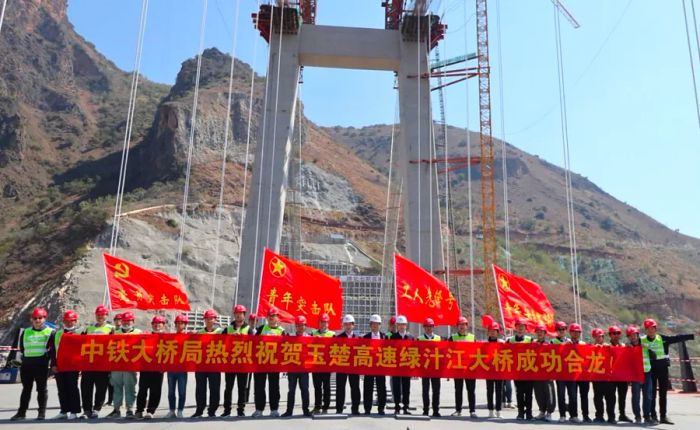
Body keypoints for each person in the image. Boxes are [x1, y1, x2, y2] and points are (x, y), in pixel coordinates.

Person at [641, 318, 695, 425]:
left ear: (655, 329)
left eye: (652, 328)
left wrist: (692, 335)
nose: (650, 330)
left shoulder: (662, 338)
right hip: (650, 370)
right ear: (646, 330)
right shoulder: (642, 340)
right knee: (652, 394)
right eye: (648, 329)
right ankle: (653, 416)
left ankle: (663, 416)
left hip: (663, 369)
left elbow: (677, 338)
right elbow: (631, 345)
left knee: (663, 393)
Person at [10, 307, 55, 421]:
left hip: (41, 364)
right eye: (35, 318)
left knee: (41, 389)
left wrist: (51, 364)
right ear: (32, 319)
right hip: (27, 364)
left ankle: (41, 413)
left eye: (40, 318)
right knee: (26, 389)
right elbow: (23, 348)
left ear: (45, 318)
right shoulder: (26, 332)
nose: (37, 320)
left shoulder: (50, 332)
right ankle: (21, 413)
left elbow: (53, 350)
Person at [81, 305, 114, 419]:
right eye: (98, 315)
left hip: (102, 365)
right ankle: (86, 410)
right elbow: (81, 345)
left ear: (106, 315)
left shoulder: (111, 329)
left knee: (101, 388)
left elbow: (115, 346)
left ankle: (96, 409)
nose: (100, 317)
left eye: (103, 314)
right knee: (86, 388)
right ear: (96, 315)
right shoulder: (88, 329)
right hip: (88, 364)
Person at [253, 307, 286, 417]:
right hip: (261, 363)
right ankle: (259, 409)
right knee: (259, 386)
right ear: (267, 317)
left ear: (277, 318)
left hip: (274, 363)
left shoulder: (282, 331)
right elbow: (253, 344)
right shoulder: (261, 329)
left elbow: (286, 347)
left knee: (274, 386)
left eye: (274, 316)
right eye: (270, 316)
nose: (272, 318)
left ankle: (274, 409)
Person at [108, 311, 141, 419]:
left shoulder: (139, 332)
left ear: (133, 321)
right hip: (117, 365)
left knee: (130, 387)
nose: (126, 323)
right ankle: (116, 409)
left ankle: (130, 409)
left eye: (129, 321)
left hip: (130, 366)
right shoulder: (114, 332)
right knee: (116, 387)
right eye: (124, 321)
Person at [50, 310, 81, 420]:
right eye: (67, 321)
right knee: (61, 388)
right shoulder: (57, 333)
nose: (69, 323)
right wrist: (53, 364)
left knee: (72, 387)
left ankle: (74, 411)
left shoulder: (80, 333)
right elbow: (54, 350)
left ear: (75, 321)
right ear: (63, 321)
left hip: (73, 366)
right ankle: (64, 411)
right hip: (60, 365)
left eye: (71, 321)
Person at [192, 309, 222, 418]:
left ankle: (212, 411)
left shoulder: (220, 332)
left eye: (211, 318)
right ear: (204, 320)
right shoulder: (200, 332)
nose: (209, 320)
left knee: (214, 389)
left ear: (215, 320)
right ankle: (199, 410)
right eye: (207, 318)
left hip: (215, 365)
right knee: (200, 389)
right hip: (201, 365)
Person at [221, 304, 251, 417]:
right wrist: (230, 337)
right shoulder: (228, 329)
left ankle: (240, 410)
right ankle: (227, 410)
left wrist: (243, 338)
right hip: (230, 363)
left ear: (244, 315)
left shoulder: (249, 329)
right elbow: (220, 343)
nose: (238, 316)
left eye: (241, 313)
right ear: (234, 315)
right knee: (228, 387)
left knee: (241, 387)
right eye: (237, 314)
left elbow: (254, 344)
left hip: (243, 363)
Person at [135, 315, 166, 419]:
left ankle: (151, 411)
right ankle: (139, 410)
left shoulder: (167, 338)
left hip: (158, 369)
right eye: (155, 323)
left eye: (159, 323)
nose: (157, 325)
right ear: (152, 324)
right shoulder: (146, 336)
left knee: (155, 391)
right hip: (146, 367)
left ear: (163, 325)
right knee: (142, 390)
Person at [282, 315, 312, 417]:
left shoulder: (309, 337)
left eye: (302, 325)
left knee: (304, 389)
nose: (301, 327)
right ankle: (289, 410)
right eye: (298, 325)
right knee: (291, 390)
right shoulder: (290, 337)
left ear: (305, 326)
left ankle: (306, 410)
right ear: (296, 326)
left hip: (304, 369)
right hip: (292, 368)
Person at [449, 316, 477, 418]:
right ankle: (458, 410)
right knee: (458, 390)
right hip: (457, 368)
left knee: (471, 390)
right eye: (460, 325)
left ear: (467, 326)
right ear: (457, 326)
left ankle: (472, 411)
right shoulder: (452, 338)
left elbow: (477, 353)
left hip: (470, 368)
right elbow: (448, 353)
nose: (462, 326)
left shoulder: (472, 338)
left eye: (463, 324)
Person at [507, 317, 534, 421]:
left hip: (529, 370)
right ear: (515, 328)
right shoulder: (510, 340)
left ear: (525, 329)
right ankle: (520, 413)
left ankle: (529, 413)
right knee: (519, 393)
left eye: (522, 327)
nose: (520, 329)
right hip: (517, 371)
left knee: (528, 394)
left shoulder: (530, 340)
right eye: (518, 327)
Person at [335, 314, 361, 415]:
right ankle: (339, 408)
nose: (347, 326)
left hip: (354, 367)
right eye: (345, 324)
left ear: (353, 325)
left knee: (355, 387)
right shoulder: (339, 337)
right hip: (342, 366)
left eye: (349, 324)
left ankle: (355, 408)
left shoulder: (358, 338)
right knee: (340, 388)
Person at [362, 314, 387, 415]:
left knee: (381, 388)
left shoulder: (385, 337)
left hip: (380, 366)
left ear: (380, 325)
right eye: (373, 324)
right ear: (370, 325)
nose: (375, 326)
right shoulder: (365, 337)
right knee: (368, 387)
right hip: (369, 366)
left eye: (377, 324)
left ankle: (381, 408)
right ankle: (367, 409)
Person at [165, 314, 189, 419]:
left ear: (185, 325)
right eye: (177, 323)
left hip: (182, 369)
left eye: (181, 323)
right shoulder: (171, 337)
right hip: (171, 369)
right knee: (171, 392)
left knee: (182, 391)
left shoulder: (189, 337)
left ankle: (180, 410)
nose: (179, 325)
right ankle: (172, 410)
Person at [389, 315, 413, 415]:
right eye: (400, 325)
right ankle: (397, 407)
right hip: (396, 367)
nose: (402, 327)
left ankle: (406, 407)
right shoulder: (393, 337)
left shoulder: (410, 338)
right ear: (397, 326)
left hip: (407, 366)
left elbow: (414, 352)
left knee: (406, 388)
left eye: (403, 325)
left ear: (406, 326)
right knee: (396, 388)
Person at [566, 322, 590, 423]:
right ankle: (573, 415)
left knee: (584, 395)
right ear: (570, 333)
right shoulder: (566, 344)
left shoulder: (584, 344)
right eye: (574, 332)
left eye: (578, 332)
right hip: (571, 374)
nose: (576, 334)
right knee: (572, 395)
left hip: (583, 374)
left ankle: (586, 415)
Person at [591, 328, 615, 424]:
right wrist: (594, 348)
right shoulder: (590, 347)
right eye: (596, 336)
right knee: (598, 398)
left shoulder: (608, 347)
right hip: (596, 377)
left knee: (611, 398)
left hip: (609, 377)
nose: (598, 338)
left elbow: (617, 355)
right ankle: (599, 416)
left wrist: (609, 348)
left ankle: (611, 417)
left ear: (603, 337)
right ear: (593, 337)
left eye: (600, 336)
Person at [608, 325, 632, 423]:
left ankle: (622, 414)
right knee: (611, 397)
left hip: (622, 376)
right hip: (611, 376)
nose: (616, 335)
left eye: (618, 333)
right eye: (614, 333)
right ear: (610, 335)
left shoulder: (623, 346)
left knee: (622, 396)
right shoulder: (606, 346)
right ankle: (611, 416)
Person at [418, 318, 441, 417]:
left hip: (435, 369)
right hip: (425, 369)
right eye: (427, 326)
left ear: (433, 327)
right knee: (425, 390)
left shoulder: (439, 338)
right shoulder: (419, 339)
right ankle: (425, 410)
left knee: (436, 390)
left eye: (431, 326)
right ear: (424, 327)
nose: (429, 328)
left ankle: (435, 410)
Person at [311, 313, 334, 414]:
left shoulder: (332, 335)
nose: (323, 324)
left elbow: (335, 349)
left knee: (326, 386)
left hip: (326, 365)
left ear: (328, 323)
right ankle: (317, 406)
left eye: (325, 322)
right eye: (321, 322)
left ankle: (326, 406)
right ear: (318, 323)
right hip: (315, 364)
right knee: (317, 387)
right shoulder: (313, 334)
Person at [532, 323, 555, 421]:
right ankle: (542, 411)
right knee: (538, 393)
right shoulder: (532, 344)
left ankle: (549, 412)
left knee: (549, 393)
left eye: (541, 332)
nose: (540, 333)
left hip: (548, 373)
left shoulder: (550, 344)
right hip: (536, 373)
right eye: (538, 332)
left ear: (545, 333)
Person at [550, 320, 571, 422]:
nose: (561, 331)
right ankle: (562, 415)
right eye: (559, 329)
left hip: (570, 372)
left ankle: (573, 415)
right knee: (561, 395)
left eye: (563, 329)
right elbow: (550, 355)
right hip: (559, 373)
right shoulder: (552, 342)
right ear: (556, 331)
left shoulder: (570, 341)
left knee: (573, 395)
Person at [485, 322, 503, 418]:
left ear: (498, 332)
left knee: (499, 391)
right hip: (488, 370)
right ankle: (490, 410)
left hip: (499, 370)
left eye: (494, 331)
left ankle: (499, 410)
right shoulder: (485, 343)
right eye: (490, 331)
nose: (492, 333)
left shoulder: (501, 343)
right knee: (489, 390)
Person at [626, 325, 644, 424]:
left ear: (637, 335)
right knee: (636, 396)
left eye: (634, 335)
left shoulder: (644, 344)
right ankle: (637, 416)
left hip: (646, 372)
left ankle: (648, 415)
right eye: (630, 335)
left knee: (648, 396)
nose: (632, 337)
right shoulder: (627, 347)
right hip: (635, 375)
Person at [106, 313, 123, 407]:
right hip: (112, 358)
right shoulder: (112, 331)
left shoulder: (125, 330)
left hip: (122, 357)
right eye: (116, 319)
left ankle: (121, 400)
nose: (118, 321)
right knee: (111, 381)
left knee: (123, 382)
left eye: (120, 319)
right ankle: (110, 400)